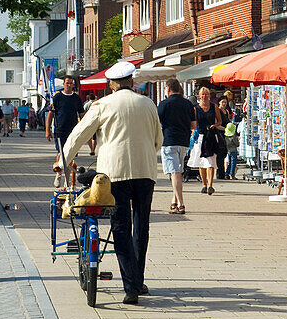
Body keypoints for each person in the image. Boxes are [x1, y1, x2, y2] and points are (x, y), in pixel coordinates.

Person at [63, 60, 162, 305]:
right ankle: (138, 281)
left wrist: (64, 159)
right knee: (141, 226)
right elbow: (158, 139)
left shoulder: (103, 104)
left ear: (112, 84)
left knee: (120, 227)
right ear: (131, 81)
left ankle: (130, 287)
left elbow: (79, 134)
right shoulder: (148, 103)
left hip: (114, 174)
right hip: (145, 172)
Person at [157, 78, 197, 214]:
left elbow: (156, 123)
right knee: (177, 173)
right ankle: (173, 201)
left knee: (175, 173)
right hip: (184, 141)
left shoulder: (163, 104)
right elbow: (194, 125)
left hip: (169, 141)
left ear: (168, 88)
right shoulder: (188, 104)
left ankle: (181, 204)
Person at [46, 75, 85, 188]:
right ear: (63, 84)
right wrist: (47, 130)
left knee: (70, 156)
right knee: (62, 154)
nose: (69, 85)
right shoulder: (57, 97)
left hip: (73, 131)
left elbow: (82, 114)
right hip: (60, 130)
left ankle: (67, 181)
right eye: (67, 83)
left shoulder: (76, 98)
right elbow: (51, 114)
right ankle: (59, 173)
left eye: (71, 83)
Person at [187, 85, 222, 194]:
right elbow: (193, 123)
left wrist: (215, 125)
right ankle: (204, 184)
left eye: (206, 94)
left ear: (209, 95)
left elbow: (220, 121)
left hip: (210, 136)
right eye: (203, 94)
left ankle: (210, 185)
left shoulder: (214, 107)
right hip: (200, 137)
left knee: (211, 162)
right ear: (199, 96)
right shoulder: (196, 108)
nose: (204, 96)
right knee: (201, 162)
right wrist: (193, 131)